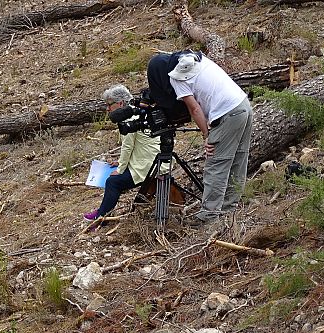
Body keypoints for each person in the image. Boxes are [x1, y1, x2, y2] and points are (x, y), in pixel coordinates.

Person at [167, 51, 253, 226]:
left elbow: (195, 109)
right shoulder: (201, 60)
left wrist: (207, 135)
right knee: (238, 160)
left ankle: (209, 216)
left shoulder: (177, 78)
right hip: (243, 105)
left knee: (216, 164)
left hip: (227, 113)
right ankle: (230, 210)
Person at [83, 84, 161, 221]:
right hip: (151, 160)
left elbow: (128, 147)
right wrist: (120, 162)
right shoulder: (138, 112)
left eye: (109, 105)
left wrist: (120, 169)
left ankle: (101, 216)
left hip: (148, 166)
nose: (108, 109)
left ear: (120, 103)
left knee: (113, 181)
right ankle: (103, 211)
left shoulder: (130, 118)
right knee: (114, 176)